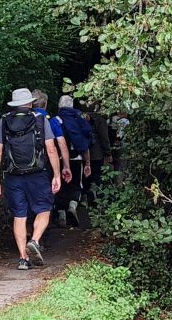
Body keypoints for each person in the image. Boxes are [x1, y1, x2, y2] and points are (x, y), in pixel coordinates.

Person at [0, 88, 61, 270]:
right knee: (44, 209)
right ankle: (35, 240)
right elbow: (51, 149)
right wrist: (57, 175)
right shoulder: (39, 119)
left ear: (14, 104)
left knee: (19, 216)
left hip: (13, 176)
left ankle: (23, 258)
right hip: (38, 174)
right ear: (30, 103)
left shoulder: (4, 121)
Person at [31, 90, 73, 227]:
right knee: (44, 199)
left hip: (21, 165)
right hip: (45, 165)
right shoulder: (52, 121)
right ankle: (40, 233)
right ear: (46, 104)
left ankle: (28, 229)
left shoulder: (21, 119)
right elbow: (61, 143)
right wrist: (66, 166)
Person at [56, 95, 92, 226]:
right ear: (72, 106)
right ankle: (72, 206)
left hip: (59, 159)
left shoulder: (56, 120)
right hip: (77, 158)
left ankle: (61, 214)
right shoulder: (79, 119)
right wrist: (88, 163)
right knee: (76, 185)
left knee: (60, 187)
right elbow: (85, 143)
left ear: (59, 106)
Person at [82, 105, 112, 205]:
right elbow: (104, 137)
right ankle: (95, 195)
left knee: (85, 176)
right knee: (96, 175)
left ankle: (84, 197)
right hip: (96, 153)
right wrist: (108, 153)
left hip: (83, 152)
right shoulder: (100, 120)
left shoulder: (80, 117)